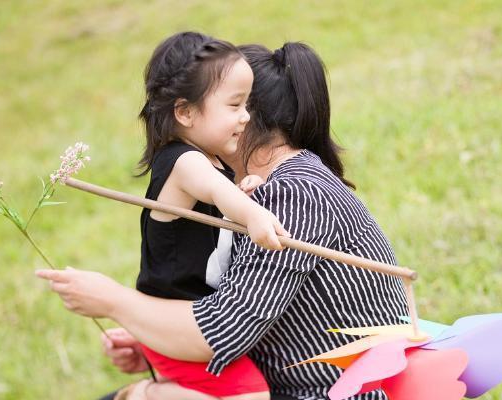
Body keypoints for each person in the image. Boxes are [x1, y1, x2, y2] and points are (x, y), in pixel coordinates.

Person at [37, 41, 409, 400]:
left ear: (246, 119)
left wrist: (116, 301)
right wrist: (153, 337)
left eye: (241, 106)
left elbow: (219, 332)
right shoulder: (269, 188)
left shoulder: (292, 196)